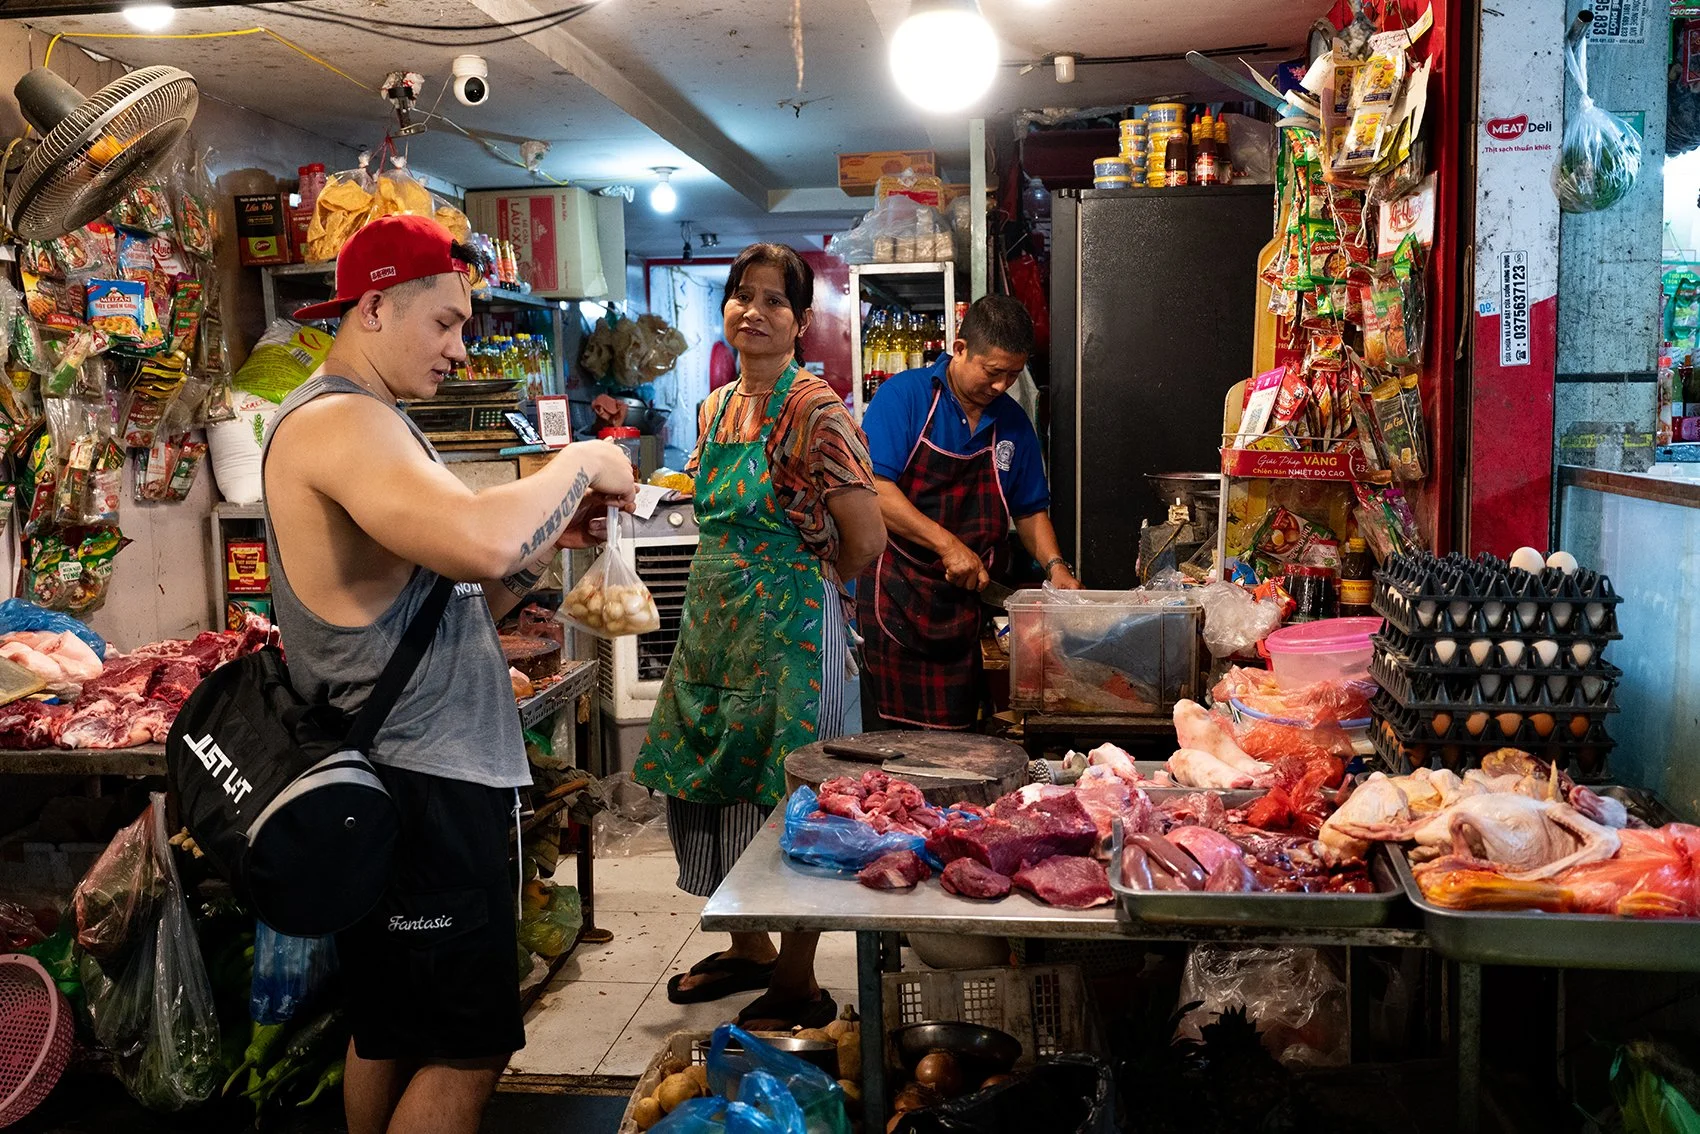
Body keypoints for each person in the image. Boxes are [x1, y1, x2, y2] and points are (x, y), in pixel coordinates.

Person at [263, 214, 636, 1134]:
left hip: (401, 773)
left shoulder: (368, 419)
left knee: (388, 1028)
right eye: (445, 322)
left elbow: (445, 585)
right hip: (421, 778)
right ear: (374, 307)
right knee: (468, 1046)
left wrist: (542, 551)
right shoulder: (340, 421)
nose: (460, 349)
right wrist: (580, 459)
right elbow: (479, 540)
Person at [638, 243, 886, 1029]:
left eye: (775, 300)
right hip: (714, 626)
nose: (755, 311)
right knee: (710, 778)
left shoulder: (816, 410)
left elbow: (867, 539)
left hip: (791, 634)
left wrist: (806, 583)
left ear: (802, 320)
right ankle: (748, 946)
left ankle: (798, 978)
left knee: (794, 793)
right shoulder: (713, 409)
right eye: (742, 295)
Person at [858, 295, 1081, 730]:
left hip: (966, 605)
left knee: (963, 741)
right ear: (959, 349)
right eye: (993, 372)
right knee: (894, 750)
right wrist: (948, 545)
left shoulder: (1012, 422)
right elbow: (875, 491)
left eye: (1012, 375)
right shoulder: (904, 397)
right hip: (898, 600)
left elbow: (1029, 509)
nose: (1000, 386)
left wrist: (1056, 567)